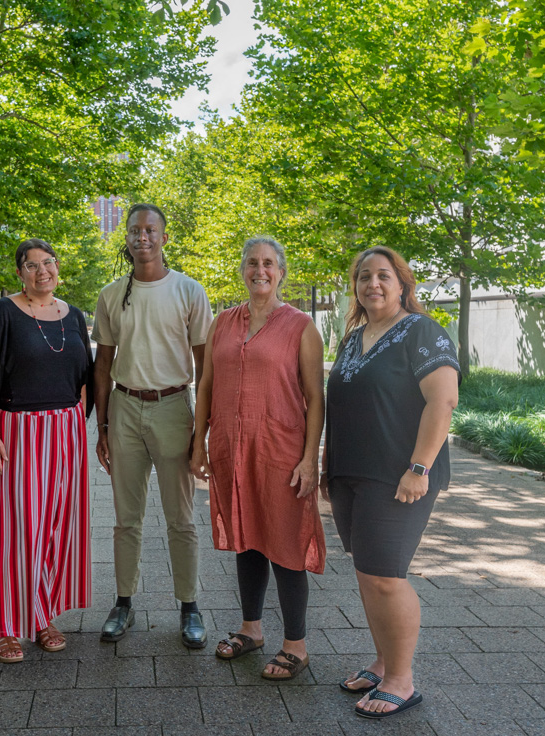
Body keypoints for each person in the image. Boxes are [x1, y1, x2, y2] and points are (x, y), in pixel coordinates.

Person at [324, 246, 460, 719]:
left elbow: (442, 402)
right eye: (364, 277)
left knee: (386, 576)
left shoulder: (421, 332)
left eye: (384, 276)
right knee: (367, 574)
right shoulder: (353, 337)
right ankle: (383, 663)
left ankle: (401, 680)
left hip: (400, 477)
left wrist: (419, 467)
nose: (373, 284)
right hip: (352, 474)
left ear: (402, 284)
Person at [190, 236, 327, 680]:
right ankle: (251, 629)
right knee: (247, 537)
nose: (260, 270)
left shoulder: (302, 326)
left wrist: (311, 459)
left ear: (281, 272)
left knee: (285, 543)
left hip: (281, 451)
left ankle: (296, 645)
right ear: (242, 270)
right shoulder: (222, 323)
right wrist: (199, 443)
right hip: (232, 449)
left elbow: (315, 396)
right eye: (252, 263)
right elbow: (206, 384)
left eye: (268, 263)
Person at [93, 203, 213, 648]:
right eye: (133, 231)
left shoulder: (188, 291)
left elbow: (206, 365)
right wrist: (102, 426)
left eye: (150, 230)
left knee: (180, 518)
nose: (141, 237)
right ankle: (123, 601)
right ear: (125, 239)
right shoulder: (111, 294)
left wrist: (202, 429)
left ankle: (190, 605)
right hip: (124, 408)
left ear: (164, 237)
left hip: (172, 407)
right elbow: (103, 363)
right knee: (126, 519)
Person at [0, 239, 94, 664]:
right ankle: (5, 626)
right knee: (17, 529)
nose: (42, 271)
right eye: (31, 265)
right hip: (17, 428)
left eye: (48, 263)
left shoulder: (74, 315)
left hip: (66, 430)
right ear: (19, 273)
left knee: (56, 527)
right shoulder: (2, 313)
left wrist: (79, 427)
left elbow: (85, 378)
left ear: (58, 267)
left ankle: (41, 615)